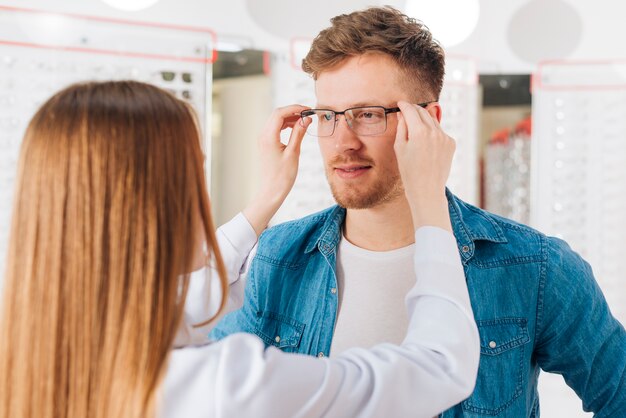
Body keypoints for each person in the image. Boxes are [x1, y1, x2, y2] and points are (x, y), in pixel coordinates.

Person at [210, 6, 626, 417]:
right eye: (327, 116)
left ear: (428, 122)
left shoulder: (534, 267)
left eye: (368, 115)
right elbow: (205, 381)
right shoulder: (280, 257)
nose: (343, 142)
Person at [0, 80, 479, 418]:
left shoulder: (33, 354)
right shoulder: (224, 387)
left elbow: (181, 302)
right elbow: (439, 367)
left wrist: (266, 197)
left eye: (368, 114)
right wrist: (429, 202)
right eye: (195, 174)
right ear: (155, 204)